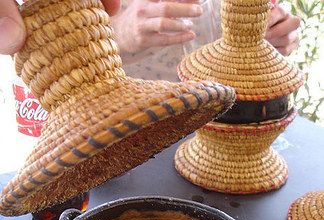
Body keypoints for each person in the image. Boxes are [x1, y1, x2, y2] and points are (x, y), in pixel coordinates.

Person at [0, 0, 300, 79]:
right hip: (119, 146)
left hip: (223, 138)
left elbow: (272, 20)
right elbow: (37, 48)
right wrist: (113, 32)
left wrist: (276, 36)